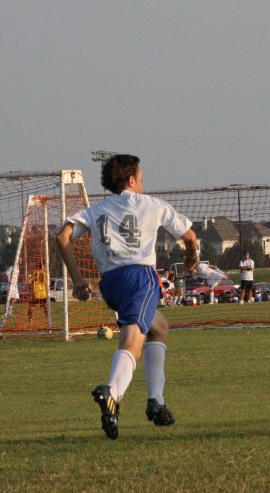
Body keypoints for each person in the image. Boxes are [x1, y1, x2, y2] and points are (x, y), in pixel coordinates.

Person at [55, 154, 198, 440]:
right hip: (140, 279)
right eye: (141, 179)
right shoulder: (152, 205)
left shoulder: (98, 209)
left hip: (111, 284)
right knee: (132, 342)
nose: (143, 183)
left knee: (159, 328)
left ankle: (156, 401)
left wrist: (78, 280)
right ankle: (112, 392)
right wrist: (191, 257)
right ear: (131, 180)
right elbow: (191, 237)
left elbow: (62, 236)